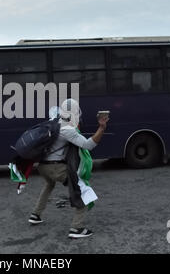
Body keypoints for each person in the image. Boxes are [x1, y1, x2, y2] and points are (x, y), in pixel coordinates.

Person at [28, 99, 109, 239]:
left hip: (42, 167)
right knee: (83, 191)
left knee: (49, 184)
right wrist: (101, 128)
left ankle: (35, 214)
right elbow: (88, 145)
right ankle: (76, 228)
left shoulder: (53, 122)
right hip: (56, 168)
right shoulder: (67, 129)